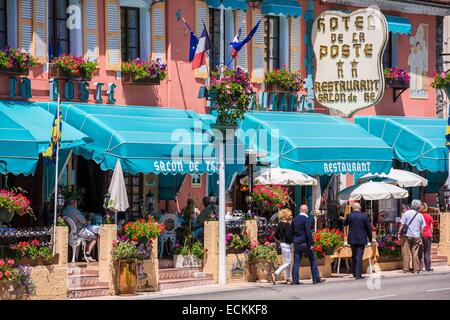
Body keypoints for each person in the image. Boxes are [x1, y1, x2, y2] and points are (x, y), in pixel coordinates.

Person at [291, 204, 326, 285]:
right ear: (306, 210)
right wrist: (311, 243)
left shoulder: (295, 219)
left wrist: (293, 241)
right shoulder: (306, 219)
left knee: (296, 261)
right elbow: (308, 232)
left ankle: (295, 280)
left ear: (300, 210)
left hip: (296, 243)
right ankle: (316, 278)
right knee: (312, 259)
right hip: (304, 243)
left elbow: (291, 231)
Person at [342, 202, 372, 279]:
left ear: (353, 208)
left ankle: (354, 273)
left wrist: (344, 220)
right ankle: (358, 274)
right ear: (360, 208)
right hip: (361, 239)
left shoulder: (349, 216)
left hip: (352, 239)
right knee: (359, 256)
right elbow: (369, 229)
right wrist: (370, 239)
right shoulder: (364, 216)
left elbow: (345, 224)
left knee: (353, 256)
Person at [398, 199, 426, 274]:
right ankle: (416, 270)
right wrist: (420, 237)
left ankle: (406, 269)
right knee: (415, 254)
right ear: (419, 207)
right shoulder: (420, 215)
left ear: (412, 205)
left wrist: (398, 233)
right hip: (416, 236)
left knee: (406, 253)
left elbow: (402, 224)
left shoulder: (406, 213)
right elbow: (422, 228)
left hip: (407, 235)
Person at [271, 208, 293, 285]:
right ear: (286, 215)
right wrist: (293, 239)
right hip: (287, 244)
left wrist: (279, 240)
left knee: (287, 262)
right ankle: (275, 274)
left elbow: (275, 234)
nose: (291, 216)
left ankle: (288, 278)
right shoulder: (287, 225)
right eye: (290, 215)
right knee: (288, 262)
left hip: (282, 244)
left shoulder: (280, 224)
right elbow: (288, 236)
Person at [418, 202, 434, 272]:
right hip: (428, 235)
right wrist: (432, 235)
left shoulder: (418, 216)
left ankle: (420, 268)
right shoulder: (429, 216)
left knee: (420, 252)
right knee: (427, 252)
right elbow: (431, 228)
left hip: (420, 235)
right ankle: (428, 268)